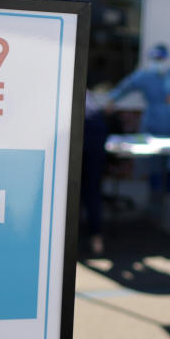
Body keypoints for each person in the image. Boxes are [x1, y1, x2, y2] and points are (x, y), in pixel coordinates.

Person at [106, 43, 170, 201]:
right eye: (155, 59)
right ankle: (155, 196)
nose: (158, 62)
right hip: (153, 124)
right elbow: (125, 87)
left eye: (161, 59)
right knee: (154, 162)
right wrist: (111, 100)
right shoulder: (144, 76)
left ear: (167, 59)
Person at [80, 89, 109, 255]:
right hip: (89, 132)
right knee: (90, 189)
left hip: (88, 133)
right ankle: (95, 237)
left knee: (89, 190)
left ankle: (95, 236)